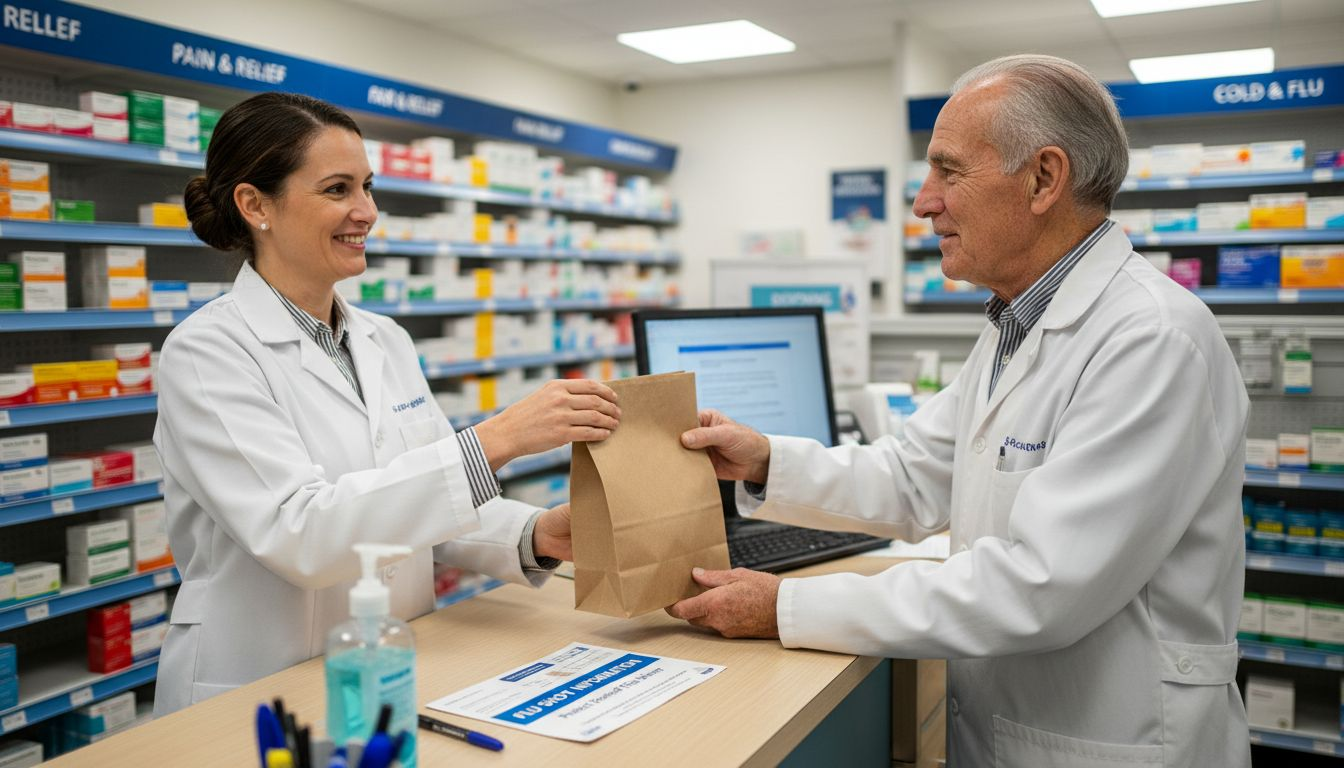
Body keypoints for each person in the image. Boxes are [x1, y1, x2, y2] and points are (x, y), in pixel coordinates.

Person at [668, 55, 1251, 767]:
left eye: (948, 171)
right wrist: (766, 459)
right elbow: (916, 474)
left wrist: (786, 608)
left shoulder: (1152, 339)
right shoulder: (1019, 322)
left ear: (1043, 178)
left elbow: (1041, 587)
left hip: (1120, 740)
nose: (923, 202)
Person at [153, 92, 621, 714]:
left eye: (368, 187)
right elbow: (303, 535)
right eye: (338, 189)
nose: (367, 211)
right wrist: (498, 438)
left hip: (391, 666)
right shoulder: (208, 352)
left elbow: (417, 501)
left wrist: (535, 534)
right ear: (255, 203)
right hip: (259, 685)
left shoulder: (385, 339)